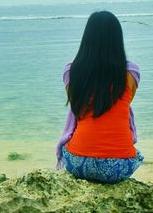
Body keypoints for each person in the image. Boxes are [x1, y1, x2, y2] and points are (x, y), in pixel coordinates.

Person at [55, 11, 143, 183]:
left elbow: (76, 105)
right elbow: (124, 103)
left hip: (79, 162)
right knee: (136, 154)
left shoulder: (71, 72)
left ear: (86, 38)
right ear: (118, 39)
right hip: (119, 167)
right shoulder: (131, 72)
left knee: (71, 145)